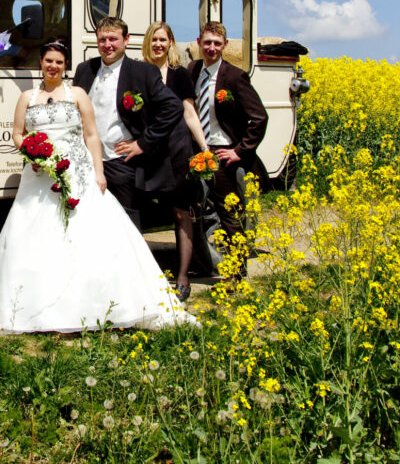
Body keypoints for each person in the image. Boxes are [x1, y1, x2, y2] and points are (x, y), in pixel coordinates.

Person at [0, 39, 196, 333]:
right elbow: (17, 133)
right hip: (39, 176)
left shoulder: (77, 94)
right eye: (48, 61)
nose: (53, 66)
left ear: (65, 67)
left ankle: (90, 305)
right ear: (41, 62)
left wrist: (99, 173)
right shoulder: (27, 97)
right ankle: (35, 307)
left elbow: (91, 136)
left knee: (84, 235)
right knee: (34, 237)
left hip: (78, 172)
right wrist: (31, 152)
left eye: (59, 62)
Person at [72, 17, 191, 231]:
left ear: (126, 40)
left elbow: (173, 107)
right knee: (89, 223)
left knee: (127, 226)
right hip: (88, 161)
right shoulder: (85, 69)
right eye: (102, 39)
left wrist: (143, 143)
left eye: (113, 39)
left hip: (121, 161)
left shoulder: (143, 72)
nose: (107, 45)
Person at [187, 21, 268, 278]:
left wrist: (239, 151)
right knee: (194, 210)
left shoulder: (234, 76)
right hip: (198, 151)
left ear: (225, 45)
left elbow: (259, 117)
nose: (211, 48)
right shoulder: (192, 69)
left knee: (230, 215)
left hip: (223, 153)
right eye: (207, 42)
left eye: (217, 43)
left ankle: (237, 272)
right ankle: (198, 263)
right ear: (199, 42)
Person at [141, 21, 207, 300]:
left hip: (178, 147)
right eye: (153, 39)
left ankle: (182, 277)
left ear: (170, 43)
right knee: (138, 212)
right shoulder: (138, 72)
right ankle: (142, 277)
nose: (158, 44)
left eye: (163, 39)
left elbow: (189, 113)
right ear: (147, 43)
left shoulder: (180, 75)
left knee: (181, 213)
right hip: (147, 149)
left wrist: (204, 149)